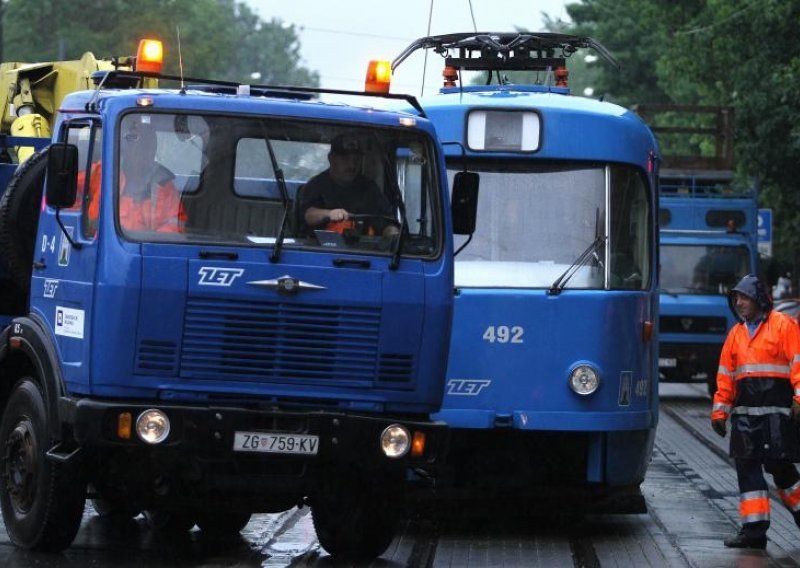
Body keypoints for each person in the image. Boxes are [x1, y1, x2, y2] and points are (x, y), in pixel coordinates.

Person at [710, 274, 800, 549]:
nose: (739, 303)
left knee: (780, 468)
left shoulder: (783, 326)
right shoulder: (735, 335)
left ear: (759, 299)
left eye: (744, 297)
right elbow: (725, 377)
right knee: (748, 471)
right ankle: (754, 533)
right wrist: (719, 412)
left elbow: (798, 363)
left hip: (776, 417)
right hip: (746, 419)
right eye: (736, 298)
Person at [299, 134, 399, 237]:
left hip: (362, 249)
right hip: (320, 249)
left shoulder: (369, 188)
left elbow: (386, 221)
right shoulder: (316, 185)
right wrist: (329, 214)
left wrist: (393, 235)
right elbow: (308, 215)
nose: (352, 165)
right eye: (345, 159)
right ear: (331, 158)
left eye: (356, 159)